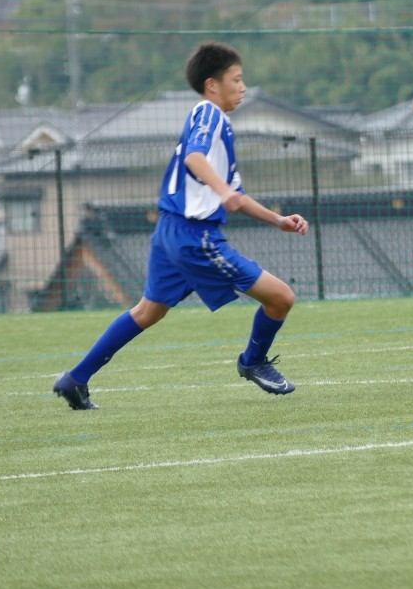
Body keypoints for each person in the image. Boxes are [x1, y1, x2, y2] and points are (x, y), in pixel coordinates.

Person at [53, 41, 308, 410]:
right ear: (212, 85)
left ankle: (75, 378)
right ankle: (252, 361)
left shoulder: (219, 125)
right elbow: (194, 158)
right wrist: (223, 192)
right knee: (281, 298)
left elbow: (235, 192)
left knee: (147, 312)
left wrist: (278, 220)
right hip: (194, 237)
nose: (243, 87)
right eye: (236, 79)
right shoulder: (209, 114)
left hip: (170, 231)